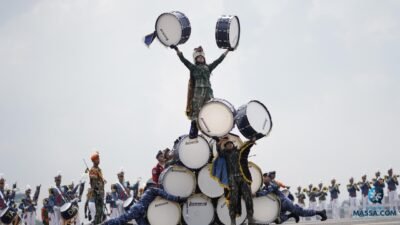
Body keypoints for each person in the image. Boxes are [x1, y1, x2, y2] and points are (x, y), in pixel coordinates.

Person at [171, 45, 232, 138]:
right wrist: (177, 49)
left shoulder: (208, 67)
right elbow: (184, 60)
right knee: (196, 111)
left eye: (202, 57)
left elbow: (218, 61)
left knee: (209, 108)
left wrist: (227, 51)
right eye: (198, 57)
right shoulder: (193, 68)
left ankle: (211, 127)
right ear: (196, 59)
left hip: (208, 91)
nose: (200, 58)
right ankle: (194, 129)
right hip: (198, 91)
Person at [212, 137, 256, 225]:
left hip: (243, 177)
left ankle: (250, 218)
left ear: (233, 145)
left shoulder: (239, 152)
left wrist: (251, 142)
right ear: (225, 147)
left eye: (230, 143)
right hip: (232, 179)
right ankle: (233, 220)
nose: (229, 145)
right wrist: (218, 143)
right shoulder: (224, 155)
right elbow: (219, 152)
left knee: (248, 198)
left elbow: (246, 148)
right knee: (233, 200)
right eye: (227, 144)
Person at [256, 175, 327, 224]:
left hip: (286, 203)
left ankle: (320, 213)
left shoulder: (272, 184)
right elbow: (262, 193)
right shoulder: (264, 188)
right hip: (279, 206)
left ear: (268, 178)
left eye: (265, 177)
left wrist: (257, 194)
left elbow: (264, 193)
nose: (264, 179)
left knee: (302, 212)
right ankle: (292, 215)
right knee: (278, 221)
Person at [100, 186, 186, 225]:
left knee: (123, 219)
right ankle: (106, 223)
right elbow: (166, 195)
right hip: (139, 209)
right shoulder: (154, 190)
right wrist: (178, 198)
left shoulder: (148, 191)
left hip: (139, 209)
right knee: (122, 219)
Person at [89, 151, 106, 224]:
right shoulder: (93, 170)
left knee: (101, 211)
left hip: (101, 193)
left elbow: (99, 180)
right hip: (97, 193)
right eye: (97, 159)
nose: (98, 160)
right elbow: (94, 183)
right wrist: (97, 191)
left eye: (98, 159)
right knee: (98, 212)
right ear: (93, 161)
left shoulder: (99, 169)